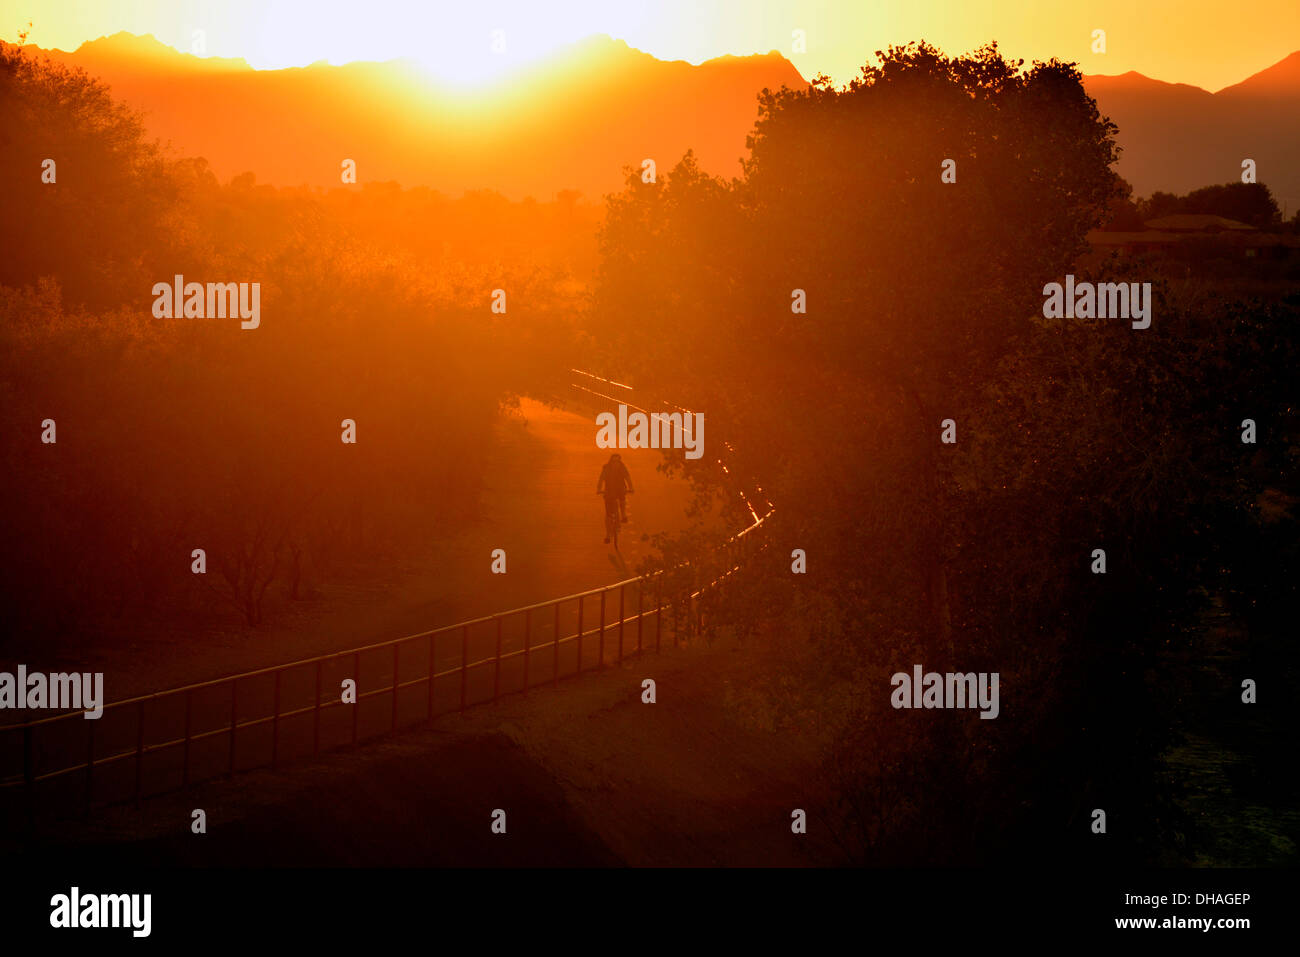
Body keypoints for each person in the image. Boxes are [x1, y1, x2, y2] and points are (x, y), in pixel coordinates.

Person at [596, 453, 633, 542]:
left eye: (618, 461)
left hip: (620, 490)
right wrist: (599, 489)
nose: (616, 464)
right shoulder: (606, 469)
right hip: (609, 492)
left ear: (620, 462)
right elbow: (601, 479)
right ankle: (608, 535)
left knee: (622, 497)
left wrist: (631, 487)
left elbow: (628, 478)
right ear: (611, 462)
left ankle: (623, 514)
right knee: (608, 515)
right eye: (614, 461)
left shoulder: (622, 468)